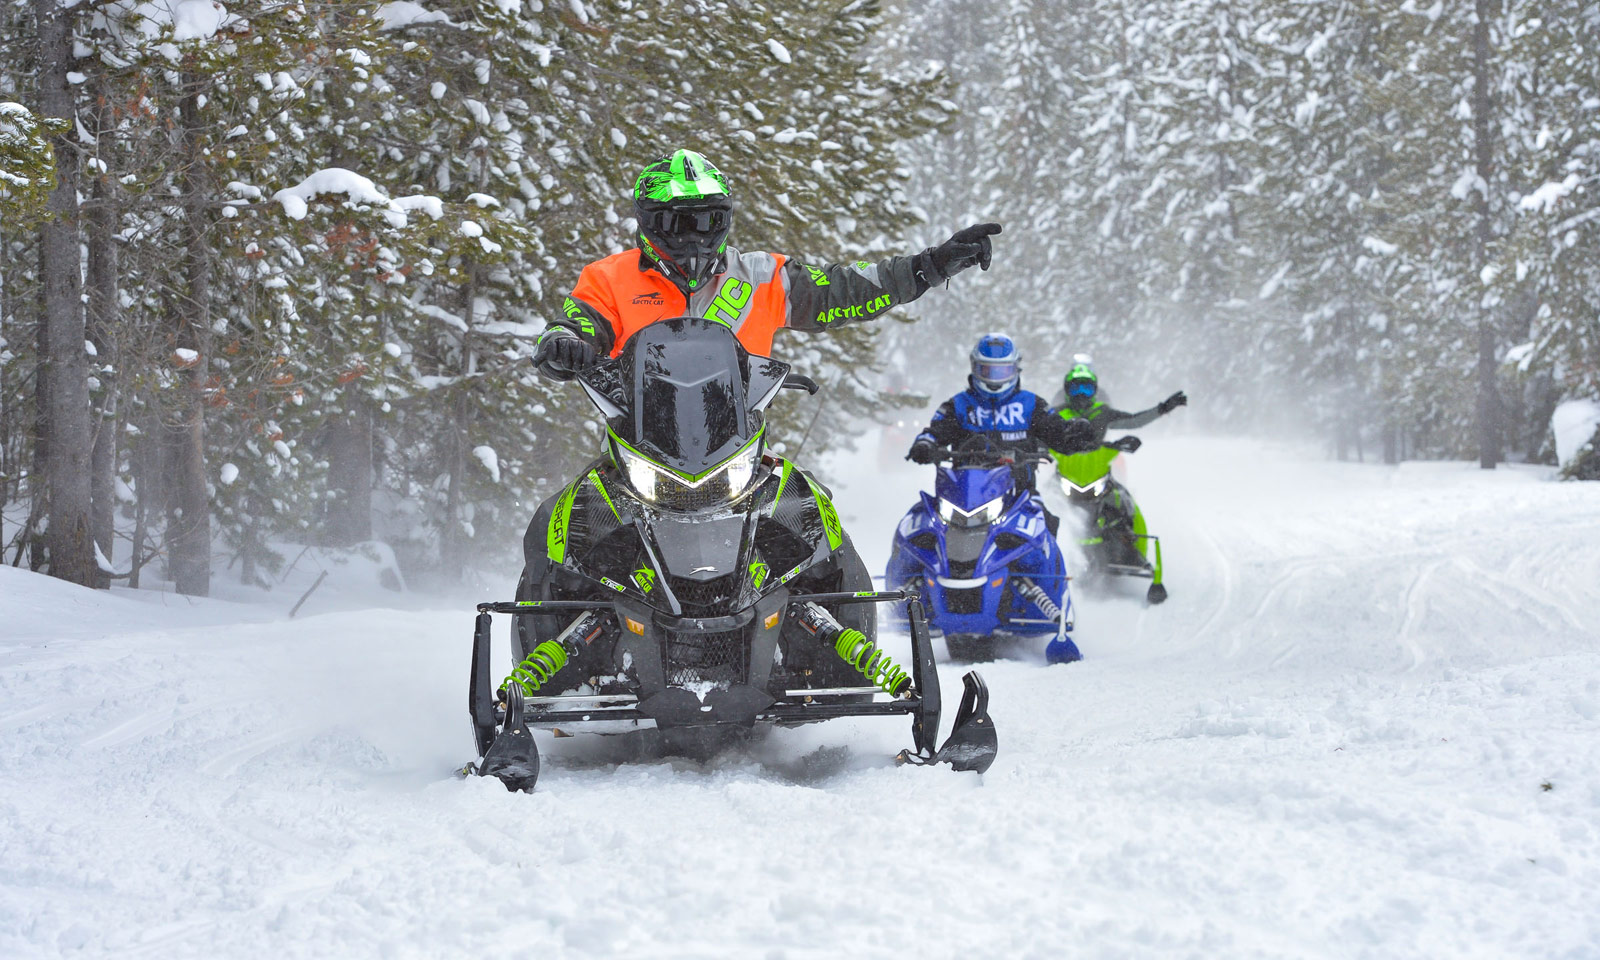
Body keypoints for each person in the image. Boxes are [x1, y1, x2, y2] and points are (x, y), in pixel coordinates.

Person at [533, 148, 1004, 379]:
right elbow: (577, 323)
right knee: (567, 526)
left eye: (708, 221)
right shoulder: (609, 278)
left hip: (739, 444)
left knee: (821, 530)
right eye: (679, 222)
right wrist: (564, 345)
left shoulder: (762, 276)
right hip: (634, 442)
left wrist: (932, 265)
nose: (694, 236)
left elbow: (846, 291)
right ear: (650, 223)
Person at [907, 334, 1112, 534]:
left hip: (1020, 496)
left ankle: (1051, 570)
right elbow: (935, 431)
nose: (995, 379)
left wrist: (1076, 433)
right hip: (961, 497)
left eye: (1002, 371)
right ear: (974, 368)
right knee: (918, 527)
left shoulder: (1031, 405)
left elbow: (1057, 432)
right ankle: (908, 568)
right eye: (987, 371)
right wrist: (925, 445)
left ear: (1015, 369)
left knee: (1044, 529)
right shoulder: (959, 405)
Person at [1048, 361, 1185, 592]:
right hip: (1065, 474)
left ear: (1095, 390)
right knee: (1039, 504)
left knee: (1125, 504)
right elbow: (1039, 433)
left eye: (1087, 388)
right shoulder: (1058, 414)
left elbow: (1133, 420)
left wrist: (1162, 409)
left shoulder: (1102, 412)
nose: (1081, 394)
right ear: (1067, 390)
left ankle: (1135, 550)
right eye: (1076, 389)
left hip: (1098, 472)